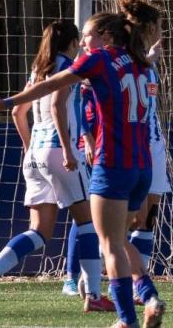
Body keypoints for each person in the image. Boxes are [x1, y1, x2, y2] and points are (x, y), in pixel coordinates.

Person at [0, 8, 165, 328]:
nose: (83, 42)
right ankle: (149, 297)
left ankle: (125, 318)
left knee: (109, 244)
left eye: (88, 35)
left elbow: (53, 87)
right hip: (143, 166)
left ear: (106, 37)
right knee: (122, 240)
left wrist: (7, 103)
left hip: (111, 165)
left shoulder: (98, 60)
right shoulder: (140, 62)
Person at [0, 20, 114, 312]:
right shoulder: (67, 66)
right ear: (71, 43)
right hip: (59, 151)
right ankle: (94, 296)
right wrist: (69, 150)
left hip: (36, 155)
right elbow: (57, 105)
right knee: (87, 222)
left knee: (39, 231)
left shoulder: (37, 69)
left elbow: (19, 111)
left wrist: (29, 146)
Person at [118, 0, 172, 281]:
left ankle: (141, 276)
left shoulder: (146, 62)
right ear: (150, 27)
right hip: (129, 145)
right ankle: (106, 271)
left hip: (153, 144)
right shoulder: (120, 60)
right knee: (124, 217)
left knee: (148, 214)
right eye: (159, 26)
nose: (160, 31)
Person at [62, 80, 98, 297]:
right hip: (85, 152)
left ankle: (93, 275)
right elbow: (79, 113)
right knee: (83, 217)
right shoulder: (81, 89)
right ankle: (70, 278)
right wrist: (87, 138)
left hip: (108, 153)